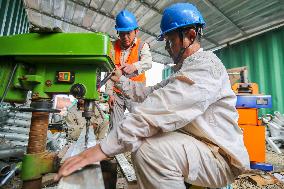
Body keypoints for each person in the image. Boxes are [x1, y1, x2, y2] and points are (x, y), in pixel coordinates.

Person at [55, 3, 250, 189]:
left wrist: (100, 150)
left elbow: (156, 110)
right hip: (200, 146)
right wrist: (120, 79)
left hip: (219, 157)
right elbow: (149, 93)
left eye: (170, 41)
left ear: (190, 36)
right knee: (142, 141)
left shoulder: (205, 67)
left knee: (149, 150)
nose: (167, 48)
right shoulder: (186, 69)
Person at [106, 10, 153, 129]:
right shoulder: (112, 47)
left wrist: (134, 66)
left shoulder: (143, 46)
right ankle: (115, 147)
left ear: (136, 31)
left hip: (135, 92)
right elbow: (109, 72)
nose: (125, 37)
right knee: (114, 128)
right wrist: (109, 94)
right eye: (122, 33)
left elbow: (148, 63)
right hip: (117, 92)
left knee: (138, 125)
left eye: (128, 33)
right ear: (118, 32)